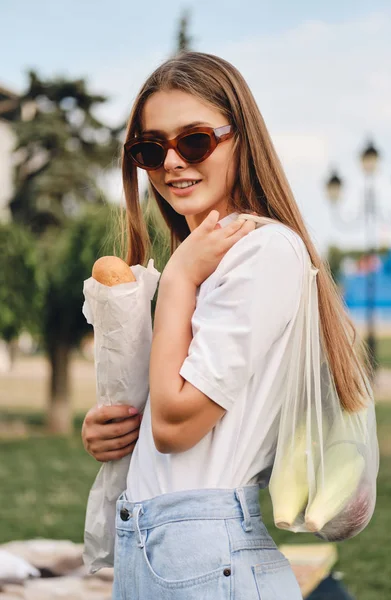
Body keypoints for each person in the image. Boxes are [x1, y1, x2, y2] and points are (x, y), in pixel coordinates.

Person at [81, 51, 371, 599]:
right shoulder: (214, 261)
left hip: (206, 558)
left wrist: (179, 279)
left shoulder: (261, 252)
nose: (171, 162)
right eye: (150, 148)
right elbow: (169, 421)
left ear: (242, 138)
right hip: (165, 551)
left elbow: (177, 427)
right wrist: (120, 429)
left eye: (194, 140)